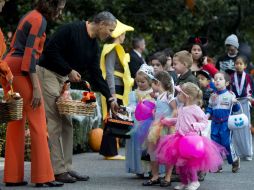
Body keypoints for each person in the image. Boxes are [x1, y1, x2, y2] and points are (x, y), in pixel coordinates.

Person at [37, 11, 118, 183]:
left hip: (63, 79)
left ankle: (66, 167)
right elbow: (49, 50)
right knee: (55, 122)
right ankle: (57, 170)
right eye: (110, 30)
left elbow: (96, 74)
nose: (110, 34)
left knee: (67, 123)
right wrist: (68, 70)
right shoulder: (71, 29)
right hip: (48, 74)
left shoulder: (93, 46)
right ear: (101, 23)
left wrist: (110, 98)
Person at [2, 0, 66, 187]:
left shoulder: (30, 15)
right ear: (52, 5)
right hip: (22, 70)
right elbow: (29, 54)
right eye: (60, 8)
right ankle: (43, 177)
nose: (60, 13)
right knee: (38, 121)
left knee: (16, 121)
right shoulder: (39, 20)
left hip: (9, 68)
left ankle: (12, 177)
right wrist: (36, 87)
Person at [156, 82, 226, 190]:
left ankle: (194, 181)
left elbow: (204, 122)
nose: (177, 96)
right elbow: (180, 120)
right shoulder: (182, 108)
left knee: (190, 163)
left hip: (191, 140)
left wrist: (195, 125)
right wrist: (168, 121)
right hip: (179, 138)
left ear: (186, 96)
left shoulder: (195, 109)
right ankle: (184, 182)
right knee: (180, 163)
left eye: (179, 94)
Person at [99, 19, 134, 160]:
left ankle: (108, 150)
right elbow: (109, 72)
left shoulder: (116, 48)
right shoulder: (112, 49)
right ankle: (110, 152)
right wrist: (112, 92)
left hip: (119, 86)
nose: (124, 36)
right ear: (120, 34)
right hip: (115, 87)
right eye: (124, 33)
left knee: (113, 117)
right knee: (113, 117)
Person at [143, 71, 176, 187]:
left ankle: (168, 177)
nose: (151, 86)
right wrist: (155, 112)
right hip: (156, 127)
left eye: (152, 83)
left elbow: (175, 110)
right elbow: (161, 108)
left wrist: (169, 119)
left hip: (166, 128)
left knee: (167, 152)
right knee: (153, 151)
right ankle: (155, 175)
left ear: (157, 83)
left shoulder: (169, 96)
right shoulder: (159, 96)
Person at [206, 72, 241, 173]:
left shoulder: (230, 95)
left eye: (220, 79)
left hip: (226, 123)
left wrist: (235, 103)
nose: (217, 81)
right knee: (215, 144)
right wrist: (207, 115)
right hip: (215, 123)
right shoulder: (212, 96)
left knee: (226, 143)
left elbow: (236, 109)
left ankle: (234, 160)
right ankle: (217, 165)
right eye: (215, 79)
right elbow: (210, 108)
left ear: (226, 83)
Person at [125, 64, 155, 177]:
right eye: (138, 81)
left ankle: (152, 169)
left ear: (150, 81)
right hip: (137, 123)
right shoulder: (134, 93)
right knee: (138, 146)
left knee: (149, 147)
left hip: (150, 123)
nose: (140, 84)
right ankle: (140, 169)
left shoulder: (153, 93)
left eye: (143, 82)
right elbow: (132, 105)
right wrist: (128, 108)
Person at [230, 55, 253, 161]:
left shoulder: (248, 77)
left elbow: (251, 90)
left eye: (240, 64)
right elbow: (230, 89)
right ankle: (237, 152)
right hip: (235, 103)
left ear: (245, 66)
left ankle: (248, 152)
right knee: (235, 127)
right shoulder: (231, 76)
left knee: (245, 127)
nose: (238, 65)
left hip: (244, 102)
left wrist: (250, 98)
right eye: (236, 63)